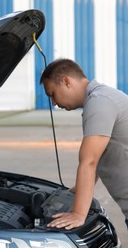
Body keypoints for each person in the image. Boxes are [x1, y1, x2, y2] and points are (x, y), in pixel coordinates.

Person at [40, 58, 128, 231]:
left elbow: (89, 161)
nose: (54, 103)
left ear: (66, 82)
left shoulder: (99, 102)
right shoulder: (102, 98)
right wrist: (78, 190)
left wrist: (78, 214)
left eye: (53, 94)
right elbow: (100, 154)